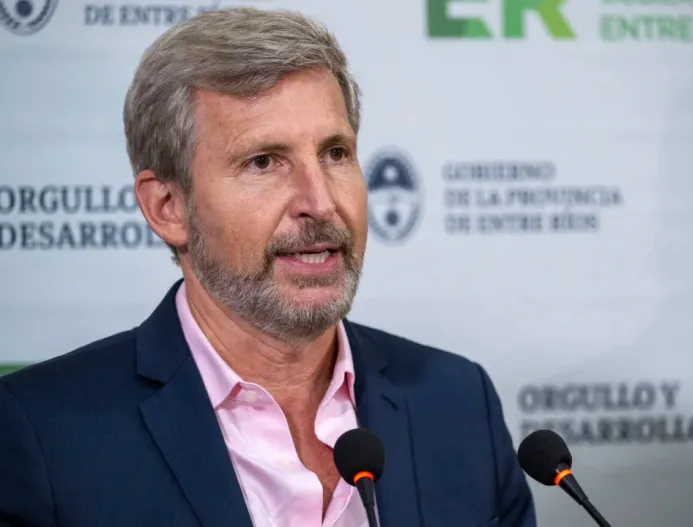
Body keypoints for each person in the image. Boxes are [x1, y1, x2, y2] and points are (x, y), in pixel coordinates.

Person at [0, 8, 535, 527]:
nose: (320, 203)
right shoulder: (43, 436)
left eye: (335, 153)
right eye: (263, 162)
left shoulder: (457, 401)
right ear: (168, 207)